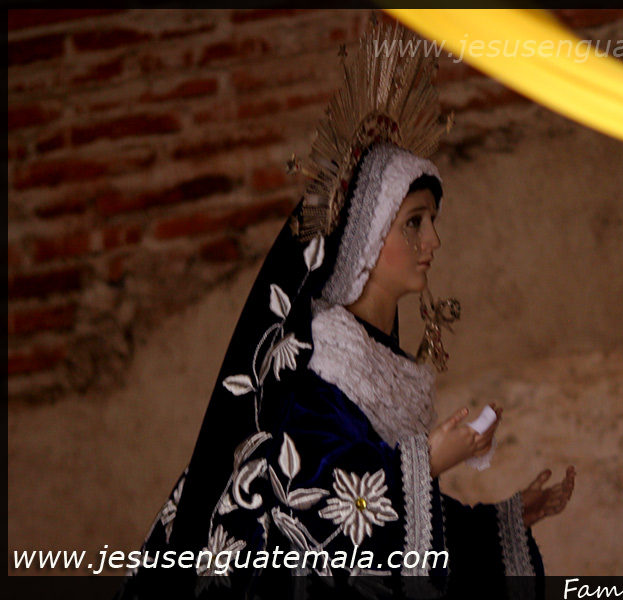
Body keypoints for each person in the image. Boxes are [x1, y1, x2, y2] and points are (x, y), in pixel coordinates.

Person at [118, 19, 574, 600]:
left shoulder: (390, 367)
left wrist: (500, 523)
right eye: (414, 223)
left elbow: (398, 524)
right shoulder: (322, 355)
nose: (432, 241)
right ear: (366, 237)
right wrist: (427, 462)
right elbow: (317, 505)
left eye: (433, 222)